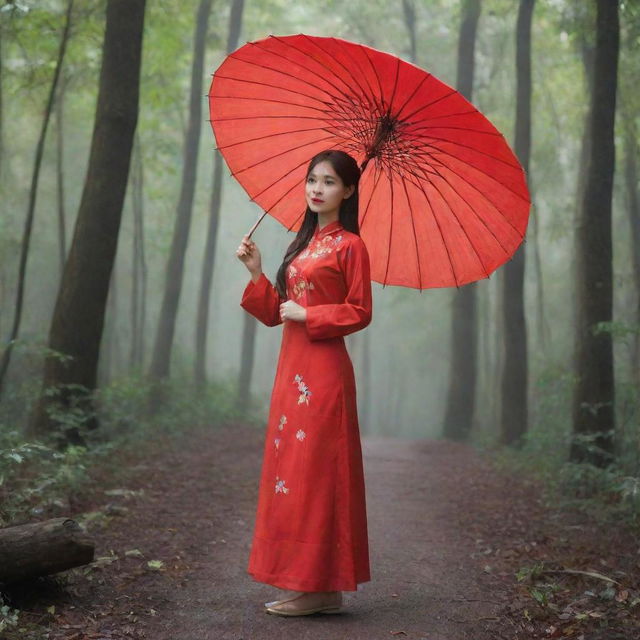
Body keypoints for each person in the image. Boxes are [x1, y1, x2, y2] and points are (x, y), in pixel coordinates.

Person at [236, 149, 373, 616]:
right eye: (313, 180)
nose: (317, 189)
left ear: (348, 191)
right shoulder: (305, 244)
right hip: (291, 372)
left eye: (330, 182)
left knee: (317, 477)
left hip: (324, 374)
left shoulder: (350, 246)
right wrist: (257, 272)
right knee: (291, 476)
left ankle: (321, 586)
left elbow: (360, 311)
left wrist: (310, 313)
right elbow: (278, 314)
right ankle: (310, 584)